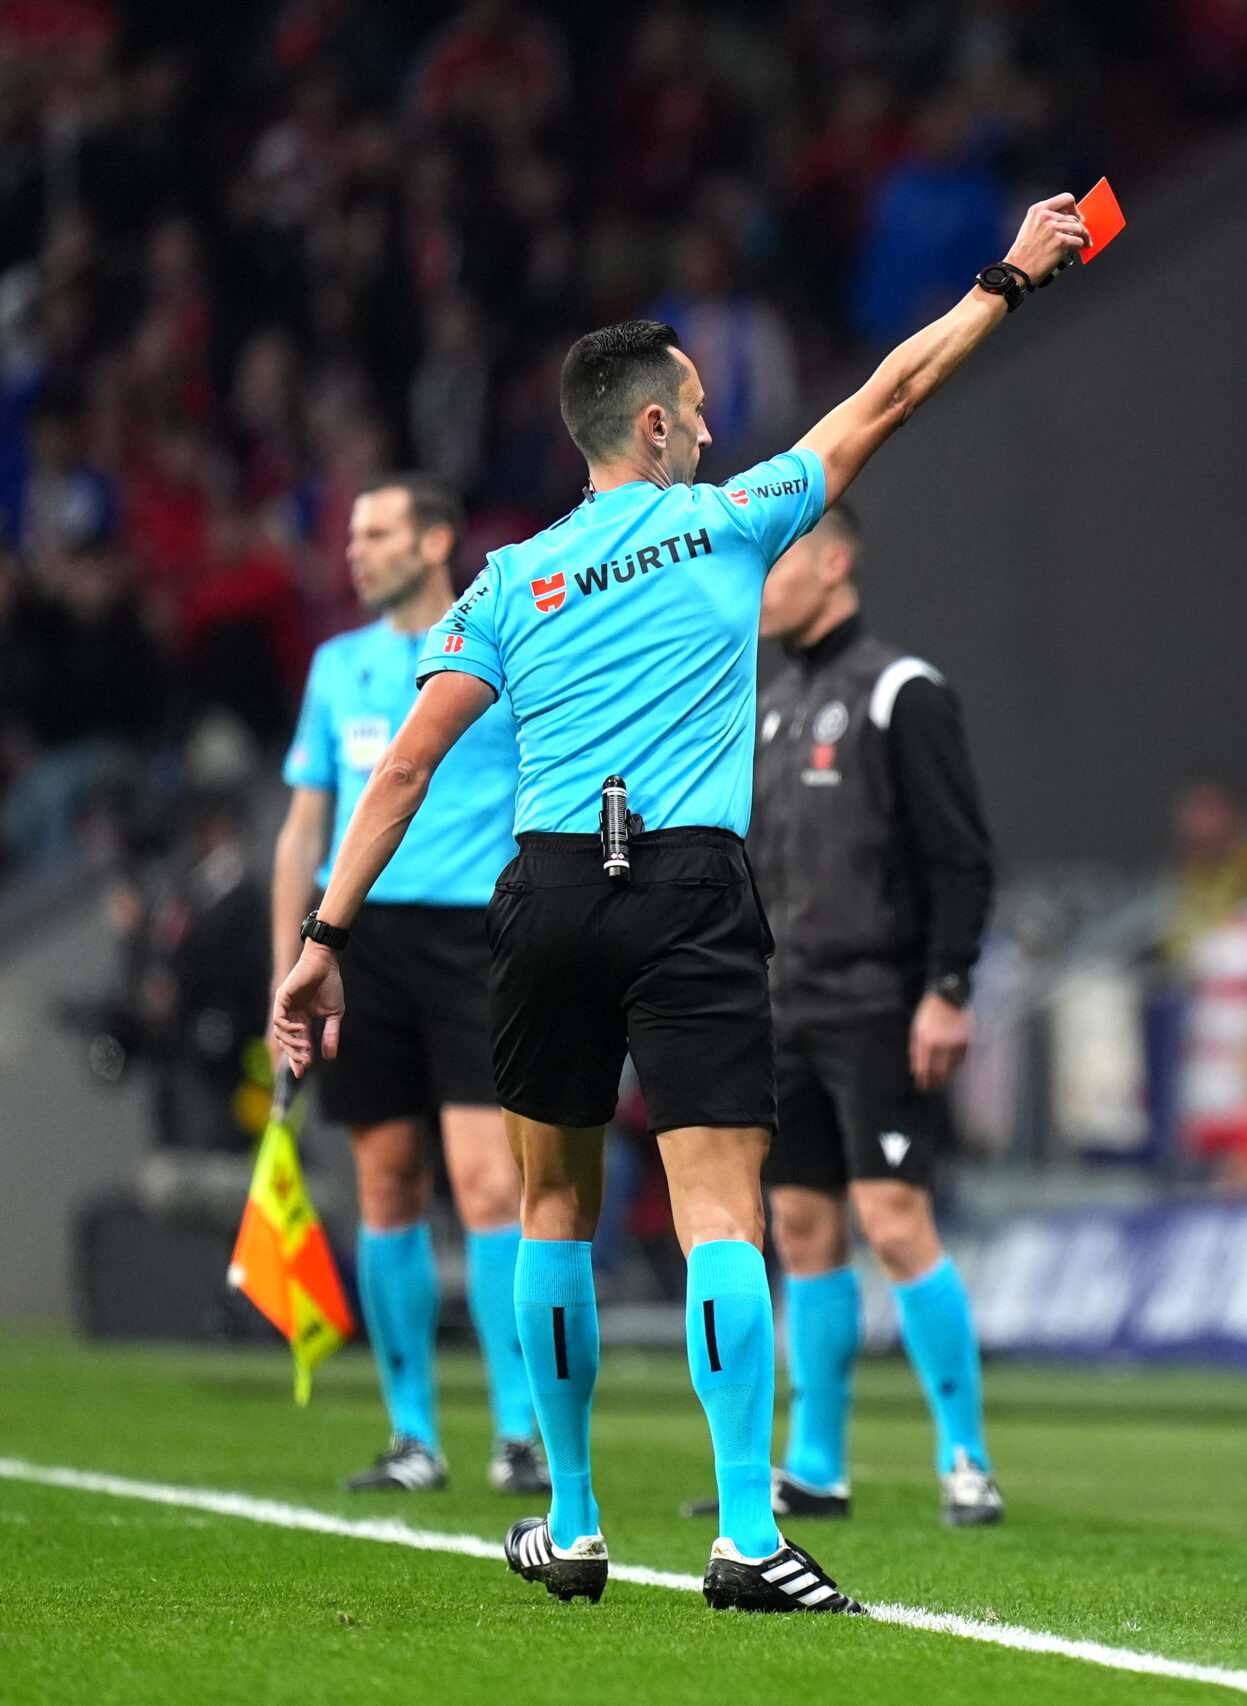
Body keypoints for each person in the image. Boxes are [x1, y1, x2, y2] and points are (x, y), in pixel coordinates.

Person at [271, 193, 1089, 1616]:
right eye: (698, 407)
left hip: (539, 898)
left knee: (548, 1212)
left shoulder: (507, 581)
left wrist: (322, 939)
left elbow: (404, 763)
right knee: (723, 1211)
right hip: (689, 885)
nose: (714, 424)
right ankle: (744, 1534)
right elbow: (890, 391)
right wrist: (1009, 280)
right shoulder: (730, 524)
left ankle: (576, 1523)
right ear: (650, 427)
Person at [722, 497, 1005, 1526]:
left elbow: (960, 856)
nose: (759, 582)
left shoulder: (901, 691)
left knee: (892, 1219)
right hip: (780, 1002)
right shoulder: (761, 701)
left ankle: (965, 1455)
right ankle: (815, 1462)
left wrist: (947, 986)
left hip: (879, 1001)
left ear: (834, 564)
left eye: (777, 562)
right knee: (799, 1225)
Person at [270, 471, 543, 1498]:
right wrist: (289, 963)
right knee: (386, 1186)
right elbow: (306, 826)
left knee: (487, 1183)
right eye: (352, 533)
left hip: (478, 936)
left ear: (435, 542)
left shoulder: (499, 644)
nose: (355, 548)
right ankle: (412, 1434)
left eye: (377, 530)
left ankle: (520, 1431)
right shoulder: (336, 666)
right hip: (361, 944)